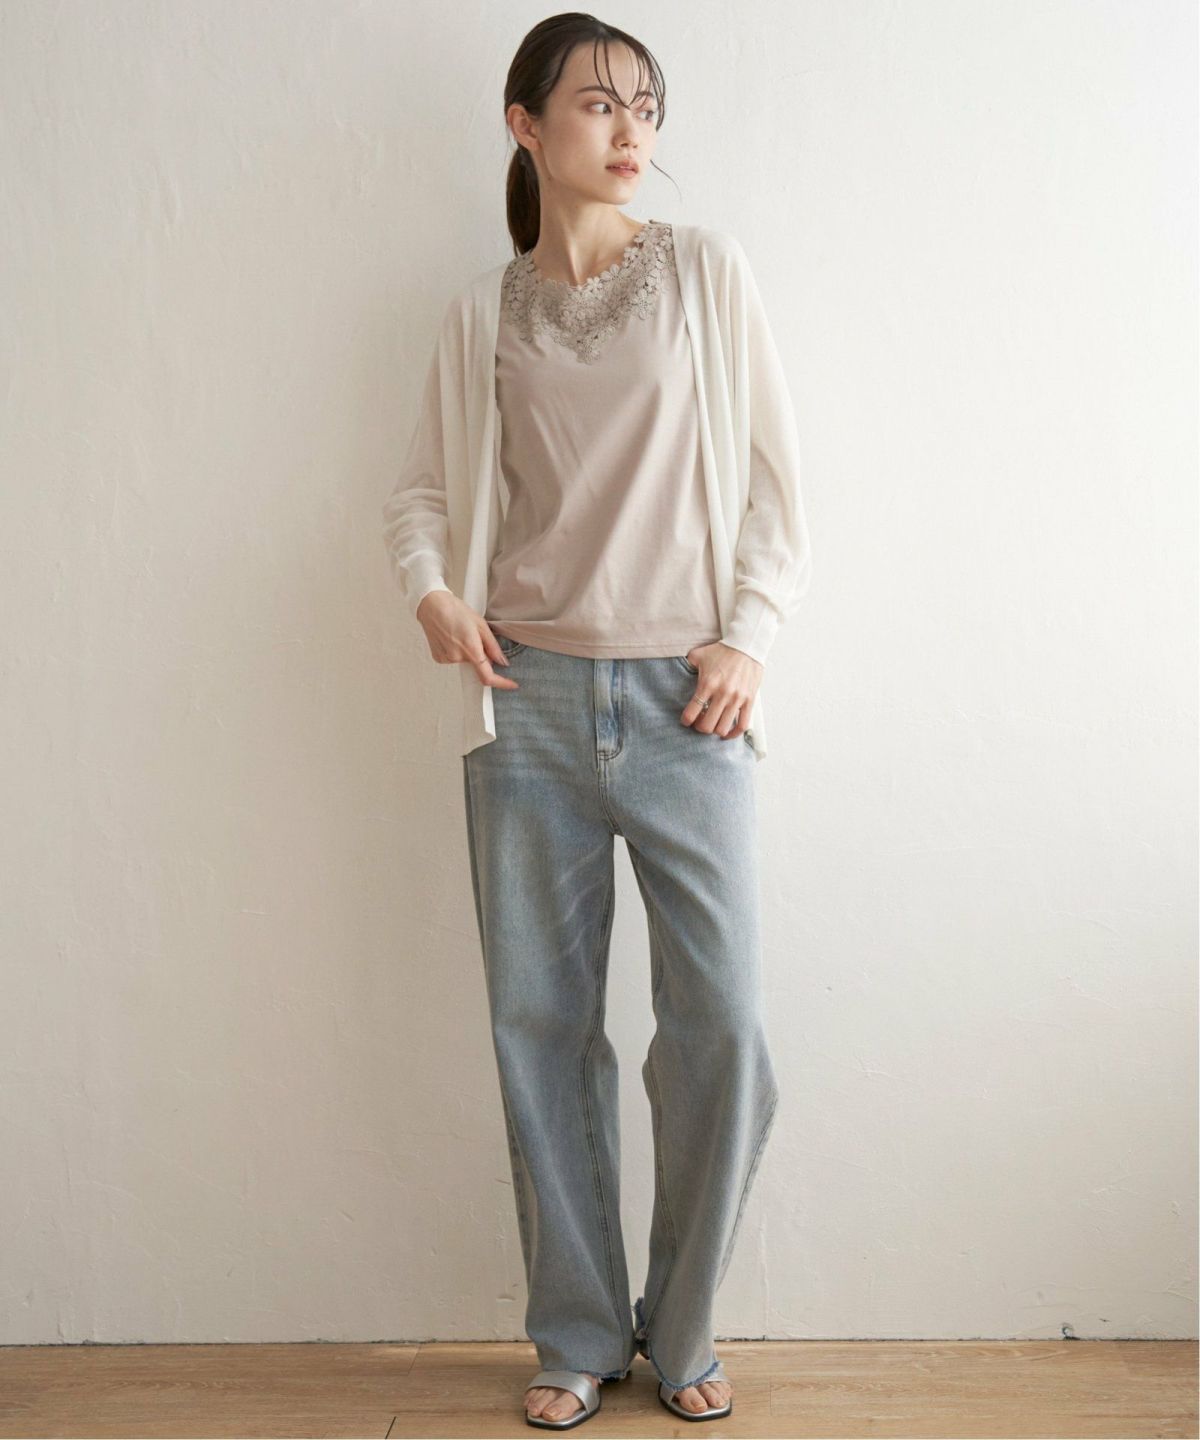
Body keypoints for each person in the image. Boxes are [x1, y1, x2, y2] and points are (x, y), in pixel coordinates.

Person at [382, 14, 812, 1430]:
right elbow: (420, 497)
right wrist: (434, 596)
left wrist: (750, 634)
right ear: (526, 124)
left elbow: (776, 482)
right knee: (543, 1031)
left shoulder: (705, 274)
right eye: (597, 104)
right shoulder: (480, 314)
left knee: (723, 1032)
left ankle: (679, 1333)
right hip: (529, 710)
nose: (633, 131)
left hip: (690, 704)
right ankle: (575, 1332)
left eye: (647, 106)